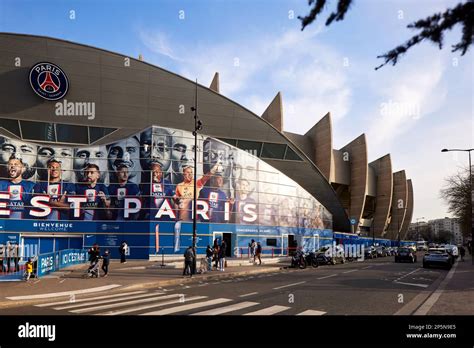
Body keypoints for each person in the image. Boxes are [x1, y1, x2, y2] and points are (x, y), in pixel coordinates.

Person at [0, 155, 35, 219]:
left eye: (16, 164)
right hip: (5, 223)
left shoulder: (31, 185)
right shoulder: (1, 184)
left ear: (23, 168)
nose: (12, 166)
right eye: (10, 164)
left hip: (24, 223)